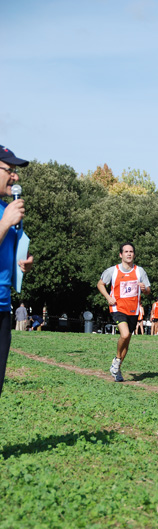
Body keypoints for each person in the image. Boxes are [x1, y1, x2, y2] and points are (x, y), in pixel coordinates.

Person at [0, 145, 33, 396]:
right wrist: (5, 224)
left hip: (3, 306)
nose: (16, 176)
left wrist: (21, 265)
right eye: (9, 170)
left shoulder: (6, 209)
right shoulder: (7, 216)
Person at [97, 243, 151, 381]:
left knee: (127, 340)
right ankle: (116, 359)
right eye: (126, 251)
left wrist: (144, 289)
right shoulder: (113, 271)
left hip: (134, 310)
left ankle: (117, 368)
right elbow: (100, 284)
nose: (129, 254)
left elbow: (148, 291)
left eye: (131, 251)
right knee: (125, 334)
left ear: (134, 254)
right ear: (121, 254)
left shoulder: (140, 271)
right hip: (117, 308)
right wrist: (108, 297)